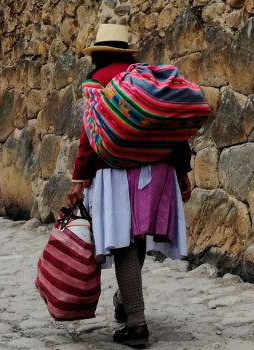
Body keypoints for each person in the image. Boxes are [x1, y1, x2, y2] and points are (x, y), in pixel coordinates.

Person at [67, 23, 193, 349]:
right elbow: (173, 124)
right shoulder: (146, 78)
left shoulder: (96, 83)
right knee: (135, 235)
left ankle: (136, 323)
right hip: (158, 167)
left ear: (98, 54)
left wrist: (79, 177)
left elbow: (89, 136)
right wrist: (182, 171)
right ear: (126, 52)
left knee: (123, 240)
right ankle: (125, 300)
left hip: (116, 169)